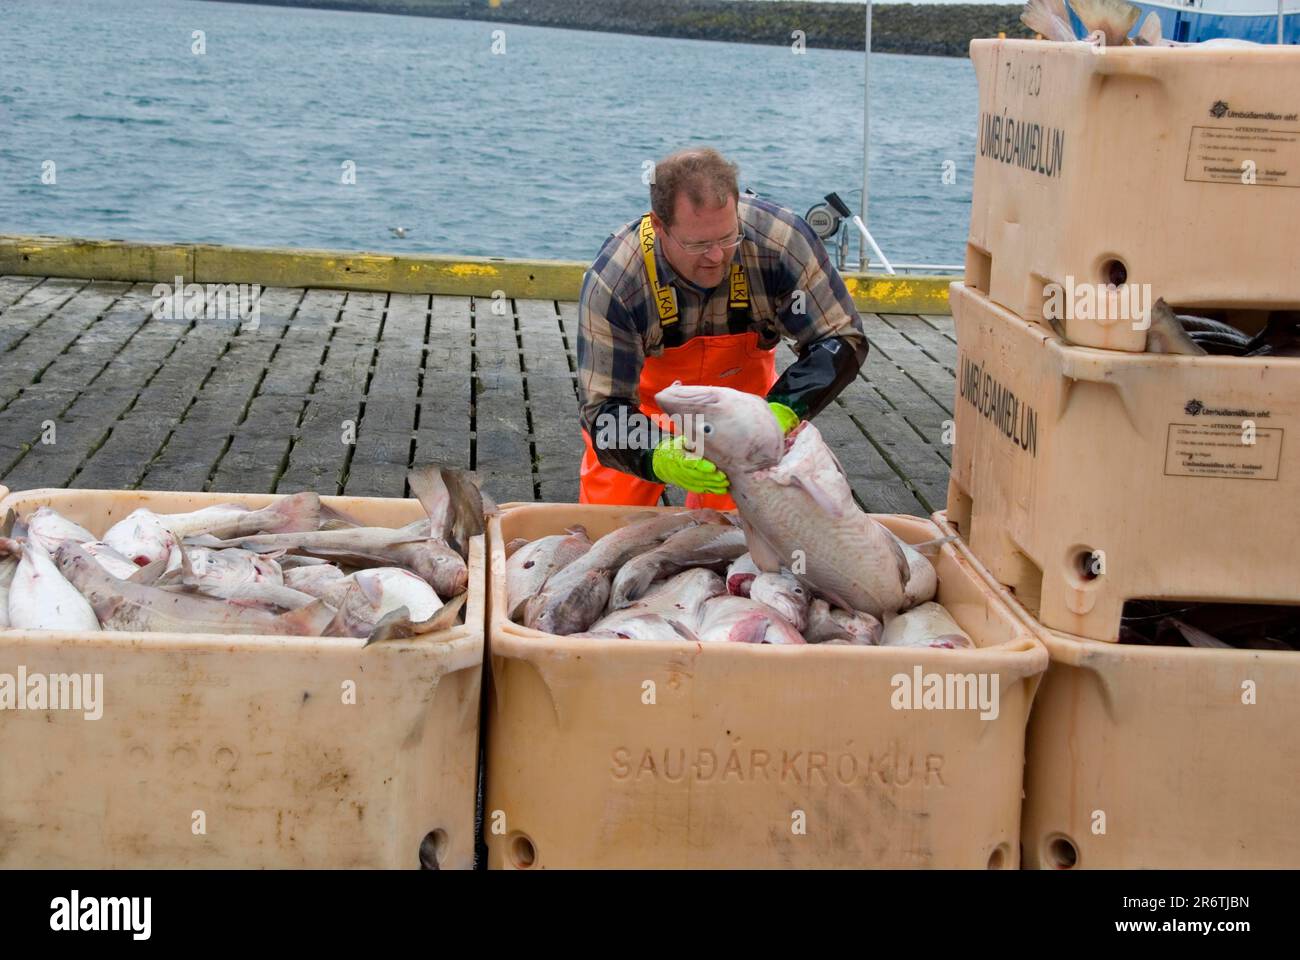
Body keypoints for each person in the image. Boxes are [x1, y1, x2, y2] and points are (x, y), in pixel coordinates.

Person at [577, 147, 868, 508]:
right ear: (659, 225)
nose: (716, 256)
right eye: (698, 244)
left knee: (740, 531)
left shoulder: (782, 241)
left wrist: (782, 410)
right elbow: (604, 409)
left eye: (728, 238)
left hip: (746, 409)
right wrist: (659, 455)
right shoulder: (616, 281)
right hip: (646, 409)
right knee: (609, 521)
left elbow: (840, 338)